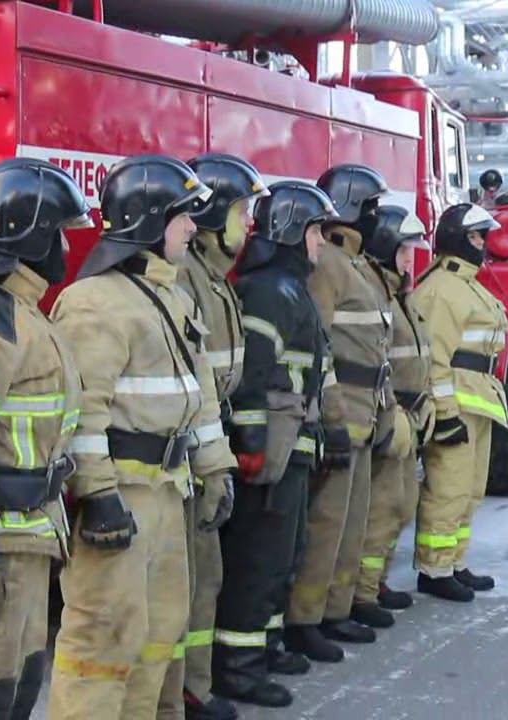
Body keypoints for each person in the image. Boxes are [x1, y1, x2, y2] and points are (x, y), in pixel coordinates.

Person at [48, 155, 237, 719]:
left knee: (160, 635)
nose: (193, 228)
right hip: (123, 499)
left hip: (168, 493)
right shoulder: (94, 303)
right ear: (151, 220)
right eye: (183, 216)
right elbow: (81, 414)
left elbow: (201, 397)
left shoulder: (173, 297)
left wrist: (215, 467)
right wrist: (98, 495)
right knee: (103, 642)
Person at [0, 158, 92, 720]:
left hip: (27, 539)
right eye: (59, 234)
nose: (66, 248)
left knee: (19, 681)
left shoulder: (19, 311)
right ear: (31, 237)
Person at [210, 181, 337, 709]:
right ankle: (239, 668)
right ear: (291, 231)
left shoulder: (289, 288)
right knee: (257, 560)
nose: (321, 242)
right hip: (272, 452)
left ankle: (265, 646)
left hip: (293, 446)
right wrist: (253, 440)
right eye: (316, 231)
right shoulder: (269, 291)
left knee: (284, 554)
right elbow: (255, 372)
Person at [157, 152, 267, 720]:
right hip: (189, 450)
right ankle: (182, 692)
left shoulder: (211, 279)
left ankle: (192, 686)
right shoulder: (187, 280)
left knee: (205, 576)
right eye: (241, 211)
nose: (248, 223)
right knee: (190, 581)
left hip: (208, 440)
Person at [285, 164, 394, 661]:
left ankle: (337, 608)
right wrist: (324, 418)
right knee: (326, 524)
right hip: (340, 411)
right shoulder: (328, 263)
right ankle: (305, 618)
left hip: (364, 412)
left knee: (351, 523)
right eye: (369, 207)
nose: (375, 216)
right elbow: (318, 341)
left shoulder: (356, 263)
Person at [410, 203, 508, 602]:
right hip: (457, 406)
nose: (483, 243)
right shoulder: (442, 289)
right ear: (456, 239)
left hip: (477, 402)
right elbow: (434, 359)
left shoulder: (466, 284)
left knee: (469, 490)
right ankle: (434, 570)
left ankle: (454, 562)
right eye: (475, 236)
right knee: (448, 490)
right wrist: (446, 414)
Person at [351, 206, 433, 627]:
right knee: (381, 509)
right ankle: (362, 594)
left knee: (402, 506)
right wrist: (391, 412)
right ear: (383, 247)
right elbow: (376, 358)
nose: (409, 259)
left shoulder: (401, 295)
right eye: (403, 250)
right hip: (391, 414)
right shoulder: (378, 293)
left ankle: (377, 582)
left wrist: (427, 400)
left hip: (410, 416)